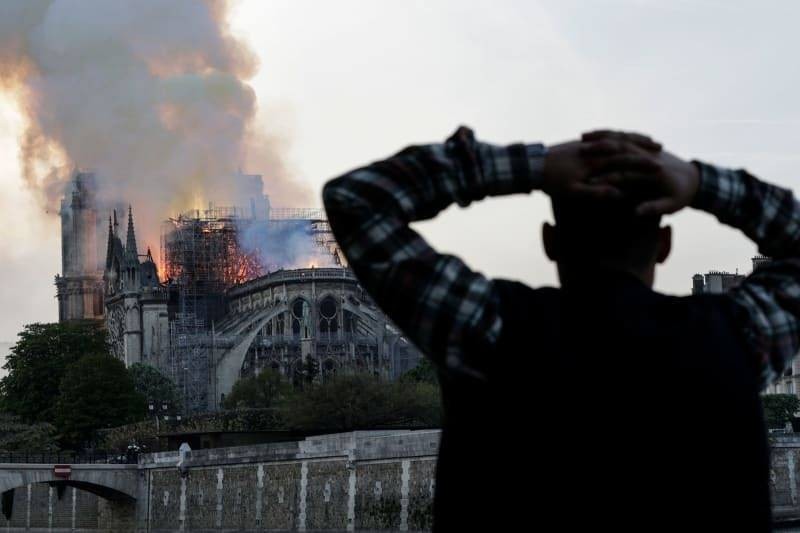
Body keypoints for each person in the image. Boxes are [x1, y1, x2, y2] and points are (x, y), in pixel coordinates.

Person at [322, 127, 799, 531]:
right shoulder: (738, 338)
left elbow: (357, 198)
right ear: (665, 245)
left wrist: (534, 166)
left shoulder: (487, 327)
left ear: (549, 241)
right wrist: (699, 182)